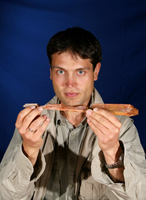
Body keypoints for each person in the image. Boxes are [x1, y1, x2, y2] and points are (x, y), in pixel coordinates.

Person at [0, 27, 146, 200]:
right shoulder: (31, 125)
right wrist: (29, 150)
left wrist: (112, 151)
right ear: (51, 73)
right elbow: (6, 196)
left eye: (80, 72)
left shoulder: (120, 126)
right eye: (61, 71)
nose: (70, 83)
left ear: (96, 72)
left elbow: (139, 197)